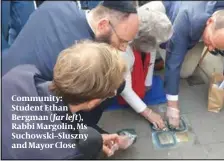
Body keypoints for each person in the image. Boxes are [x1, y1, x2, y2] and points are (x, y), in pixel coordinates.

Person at [1, 1, 139, 134]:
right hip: (23, 116)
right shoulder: (81, 56)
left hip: (8, 76)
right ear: (103, 25)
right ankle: (84, 131)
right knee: (113, 84)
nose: (123, 48)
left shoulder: (58, 5)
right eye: (122, 41)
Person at [2, 41, 133, 159]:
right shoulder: (67, 153)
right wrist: (88, 144)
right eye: (110, 94)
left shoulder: (19, 75)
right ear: (92, 102)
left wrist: (88, 139)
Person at [146, 1, 224, 128]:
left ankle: (204, 40)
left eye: (216, 47)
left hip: (200, 29)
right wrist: (172, 105)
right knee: (177, 67)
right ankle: (159, 52)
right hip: (175, 15)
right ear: (209, 22)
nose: (210, 49)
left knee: (184, 72)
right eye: (210, 43)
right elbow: (174, 59)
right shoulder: (188, 14)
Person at [118, 5, 173, 129]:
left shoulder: (156, 13)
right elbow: (124, 88)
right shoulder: (123, 49)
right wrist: (148, 113)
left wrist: (148, 81)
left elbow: (152, 49)